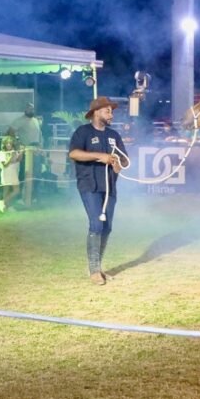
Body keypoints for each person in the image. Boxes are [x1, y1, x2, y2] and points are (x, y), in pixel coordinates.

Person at [68, 97, 128, 285]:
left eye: (111, 111)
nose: (111, 114)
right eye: (107, 111)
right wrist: (98, 156)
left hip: (109, 186)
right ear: (96, 112)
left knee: (107, 227)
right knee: (96, 224)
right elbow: (74, 153)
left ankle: (98, 267)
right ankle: (94, 271)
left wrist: (119, 163)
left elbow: (125, 159)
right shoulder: (82, 132)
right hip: (90, 185)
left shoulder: (114, 135)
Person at [0, 136, 22, 213]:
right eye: (7, 143)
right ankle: (7, 206)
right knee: (6, 190)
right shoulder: (1, 153)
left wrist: (21, 153)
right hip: (6, 173)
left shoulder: (14, 151)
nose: (9, 145)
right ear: (4, 144)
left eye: (10, 143)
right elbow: (4, 165)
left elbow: (18, 160)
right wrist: (10, 157)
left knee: (16, 190)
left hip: (14, 172)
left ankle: (3, 202)